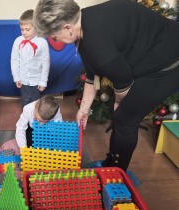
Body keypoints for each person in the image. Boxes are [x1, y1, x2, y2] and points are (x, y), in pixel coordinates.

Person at [33, 0, 179, 171]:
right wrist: (84, 109)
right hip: (148, 55)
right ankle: (110, 162)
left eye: (54, 36)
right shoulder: (83, 22)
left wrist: (119, 105)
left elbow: (123, 82)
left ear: (67, 27)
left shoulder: (97, 41)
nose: (55, 40)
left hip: (168, 64)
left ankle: (116, 172)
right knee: (117, 111)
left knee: (125, 119)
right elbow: (92, 72)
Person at [11, 9, 50, 108]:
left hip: (36, 80)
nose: (24, 32)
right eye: (22, 29)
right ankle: (27, 120)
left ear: (36, 27)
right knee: (25, 100)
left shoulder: (42, 42)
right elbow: (14, 60)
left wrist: (43, 81)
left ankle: (35, 121)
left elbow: (46, 63)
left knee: (36, 102)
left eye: (27, 30)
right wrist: (17, 77)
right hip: (23, 79)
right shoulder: (17, 41)